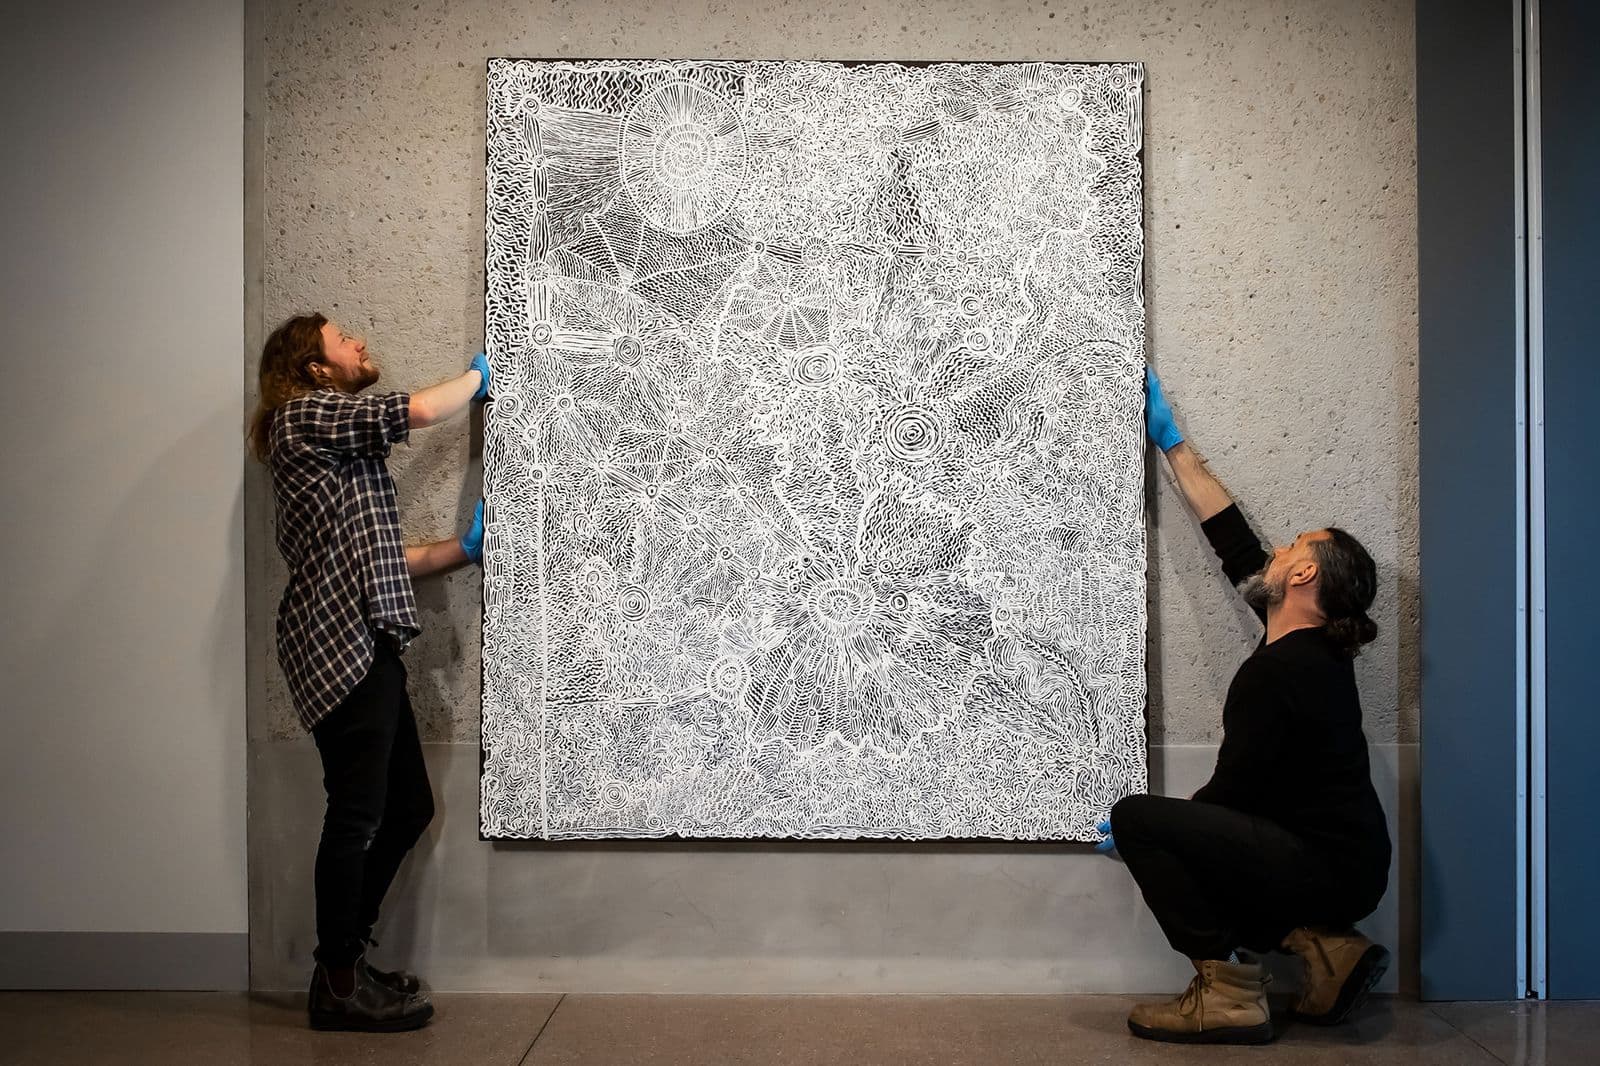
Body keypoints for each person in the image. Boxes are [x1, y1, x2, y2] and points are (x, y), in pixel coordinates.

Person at [1098, 368, 1392, 1045]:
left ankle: (1228, 992)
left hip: (1325, 871)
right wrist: (1174, 445)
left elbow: (1233, 798)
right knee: (1195, 837)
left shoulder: (1283, 674)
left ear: (1304, 574)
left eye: (1292, 545)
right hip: (1346, 869)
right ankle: (1325, 949)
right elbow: (1232, 540)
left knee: (1143, 821)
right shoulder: (1309, 647)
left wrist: (1153, 839)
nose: (1278, 548)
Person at [249, 314, 490, 1032]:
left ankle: (344, 963)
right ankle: (342, 981)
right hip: (336, 644)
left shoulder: (340, 453)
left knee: (406, 807)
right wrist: (480, 379)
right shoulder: (301, 416)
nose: (359, 344)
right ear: (316, 369)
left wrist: (466, 548)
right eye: (342, 340)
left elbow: (387, 560)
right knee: (356, 816)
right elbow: (416, 409)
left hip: (365, 640)